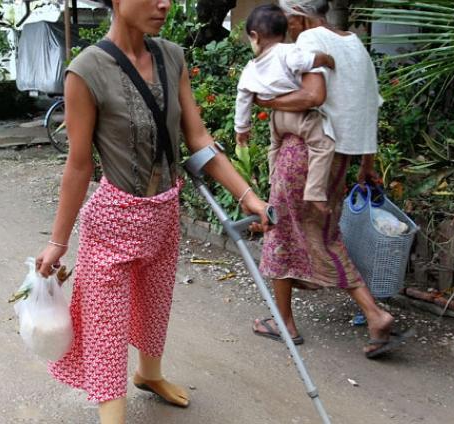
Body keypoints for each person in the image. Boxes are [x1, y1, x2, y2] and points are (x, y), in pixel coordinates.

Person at [34, 0, 270, 421]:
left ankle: (149, 374)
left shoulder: (171, 56)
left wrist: (247, 195)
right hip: (112, 221)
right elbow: (79, 164)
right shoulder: (84, 72)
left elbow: (197, 137)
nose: (164, 3)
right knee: (106, 327)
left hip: (164, 211)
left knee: (155, 303)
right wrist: (58, 241)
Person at [250, 0, 408, 359]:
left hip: (304, 154)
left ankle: (289, 322)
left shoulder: (307, 43)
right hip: (339, 158)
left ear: (299, 16)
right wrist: (366, 163)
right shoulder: (356, 47)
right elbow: (369, 107)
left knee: (281, 229)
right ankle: (369, 314)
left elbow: (311, 96)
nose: (283, 26)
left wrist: (266, 101)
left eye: (285, 19)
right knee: (320, 233)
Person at [235, 4, 336, 214]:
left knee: (275, 147)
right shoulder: (288, 51)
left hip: (277, 120)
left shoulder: (250, 68)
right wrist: (325, 59)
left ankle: (274, 179)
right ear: (283, 32)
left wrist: (241, 130)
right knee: (323, 145)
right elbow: (307, 61)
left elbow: (243, 99)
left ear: (255, 36)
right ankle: (315, 192)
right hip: (298, 116)